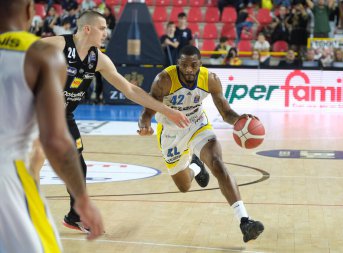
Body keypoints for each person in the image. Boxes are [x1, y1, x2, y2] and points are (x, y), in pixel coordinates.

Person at [29, 10, 190, 232]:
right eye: (102, 28)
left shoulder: (99, 59)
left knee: (77, 166)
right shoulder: (57, 45)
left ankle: (75, 216)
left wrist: (166, 110)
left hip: (62, 116)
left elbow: (130, 89)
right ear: (87, 29)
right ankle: (25, 215)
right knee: (31, 162)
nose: (106, 32)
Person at [0, 0, 104, 252]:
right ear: (28, 11)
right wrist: (82, 199)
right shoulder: (40, 54)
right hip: (7, 176)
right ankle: (73, 214)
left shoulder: (92, 57)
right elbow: (56, 141)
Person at [138, 45, 264, 243]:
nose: (189, 69)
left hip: (197, 124)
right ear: (177, 64)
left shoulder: (210, 79)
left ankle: (245, 221)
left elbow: (226, 113)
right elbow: (148, 109)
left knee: (217, 164)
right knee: (184, 186)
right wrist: (144, 123)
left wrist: (240, 120)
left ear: (200, 64)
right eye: (184, 65)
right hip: (171, 132)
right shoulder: (164, 79)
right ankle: (196, 167)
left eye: (193, 65)